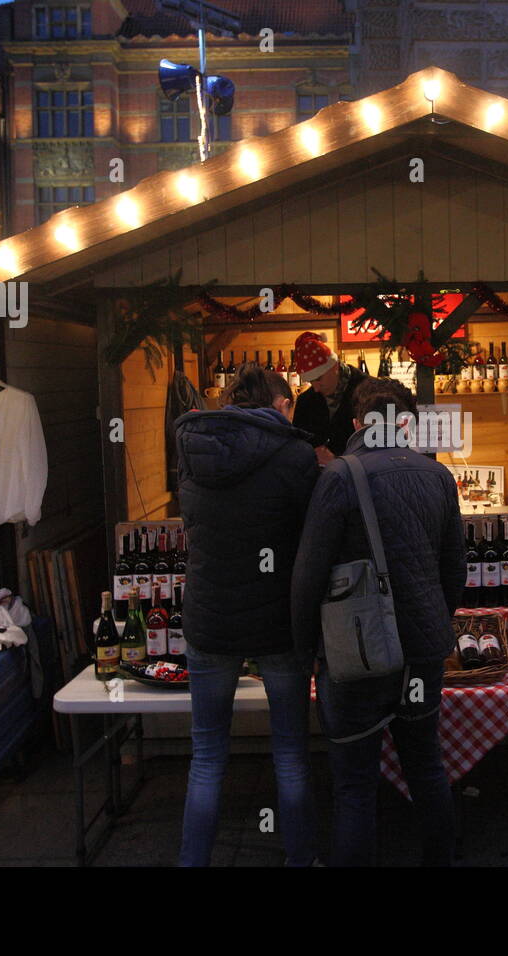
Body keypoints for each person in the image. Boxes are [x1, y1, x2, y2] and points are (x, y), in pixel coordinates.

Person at [290, 377, 465, 866]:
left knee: (354, 785)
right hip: (423, 651)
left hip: (358, 651)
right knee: (427, 766)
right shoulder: (438, 476)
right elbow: (455, 570)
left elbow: (309, 574)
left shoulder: (341, 476)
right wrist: (433, 620)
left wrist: (304, 651)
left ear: (355, 423)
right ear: (406, 422)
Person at [174, 362, 321, 867]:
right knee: (290, 754)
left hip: (210, 617)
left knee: (208, 755)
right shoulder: (297, 454)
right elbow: (310, 536)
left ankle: (193, 862)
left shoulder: (194, 448)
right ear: (281, 406)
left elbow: (194, 521)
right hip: (278, 619)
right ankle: (300, 859)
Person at [291, 331, 365, 465]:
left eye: (318, 379)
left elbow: (378, 450)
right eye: (311, 381)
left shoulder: (367, 393)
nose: (316, 388)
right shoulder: (305, 401)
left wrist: (337, 462)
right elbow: (297, 447)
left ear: (334, 366)